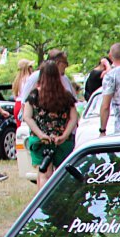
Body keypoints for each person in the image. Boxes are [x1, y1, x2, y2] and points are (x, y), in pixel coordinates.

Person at [22, 60, 79, 188]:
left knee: (44, 174)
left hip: (40, 141)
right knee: (62, 175)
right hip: (62, 142)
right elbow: (74, 118)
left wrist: (41, 134)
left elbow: (27, 117)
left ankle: (43, 205)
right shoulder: (66, 95)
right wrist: (64, 135)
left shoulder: (34, 95)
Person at [11, 58, 35, 123]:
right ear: (27, 68)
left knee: (20, 129)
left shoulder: (17, 80)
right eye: (30, 66)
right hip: (26, 105)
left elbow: (15, 96)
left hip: (17, 105)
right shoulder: (30, 78)